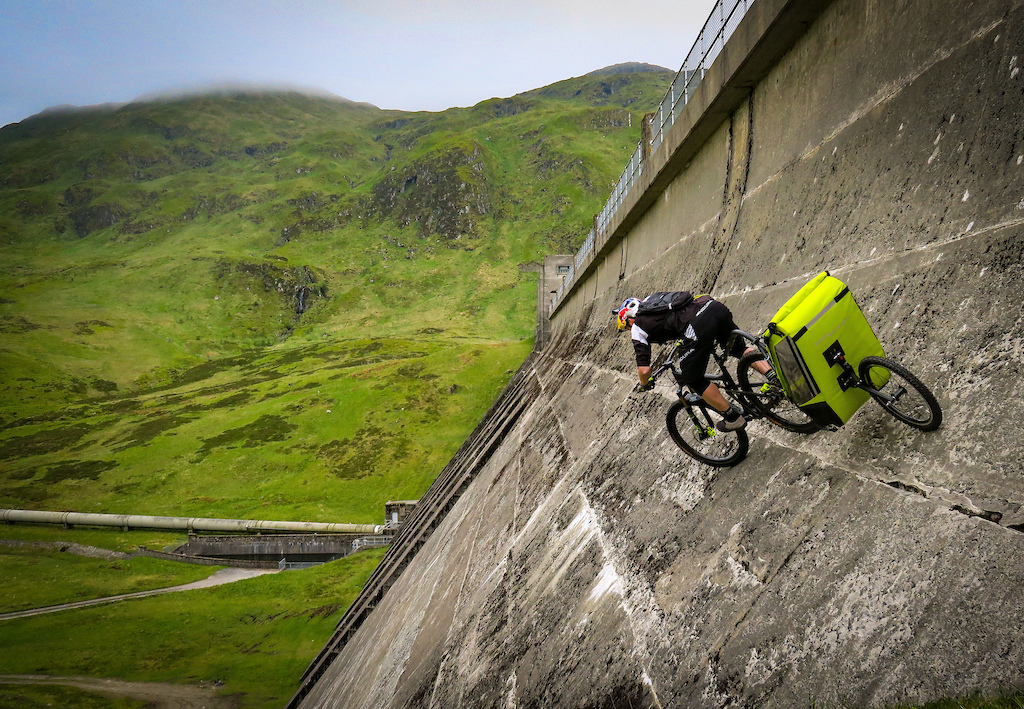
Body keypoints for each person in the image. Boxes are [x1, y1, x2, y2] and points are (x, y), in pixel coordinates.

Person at [615, 292, 775, 431]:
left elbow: (644, 370)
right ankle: (774, 377)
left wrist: (645, 384)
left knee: (692, 379)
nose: (629, 330)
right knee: (739, 349)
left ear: (628, 318)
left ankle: (733, 418)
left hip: (697, 325)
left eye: (626, 327)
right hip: (713, 306)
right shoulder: (654, 300)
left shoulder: (637, 328)